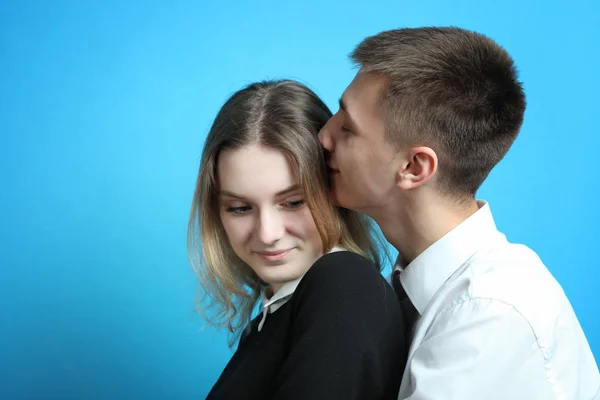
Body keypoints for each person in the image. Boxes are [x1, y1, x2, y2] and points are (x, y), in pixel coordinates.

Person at [318, 26, 600, 399]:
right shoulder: (435, 291)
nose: (324, 135)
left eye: (348, 127)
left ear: (415, 167)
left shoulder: (487, 315)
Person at [187, 79, 407, 399]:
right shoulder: (275, 315)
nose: (268, 233)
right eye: (240, 208)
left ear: (333, 190)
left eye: (293, 202)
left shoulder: (345, 285)